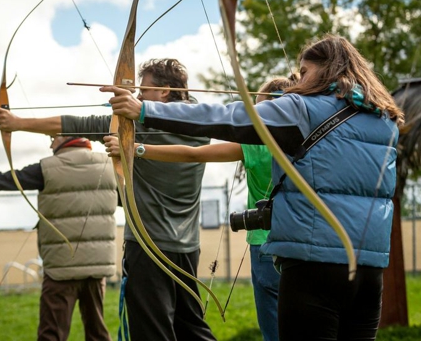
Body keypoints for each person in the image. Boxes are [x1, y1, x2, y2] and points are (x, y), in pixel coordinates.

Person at [102, 34, 403, 341]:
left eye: (304, 72)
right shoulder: (384, 118)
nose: (298, 80)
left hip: (313, 266)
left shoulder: (300, 109)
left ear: (325, 70)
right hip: (368, 270)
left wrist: (145, 110)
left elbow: (226, 116)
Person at [0, 58, 216, 341]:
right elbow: (79, 124)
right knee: (191, 327)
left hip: (148, 248)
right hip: (187, 247)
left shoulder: (139, 129)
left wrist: (17, 123)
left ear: (165, 91)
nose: (137, 96)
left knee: (152, 332)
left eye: (143, 90)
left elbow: (79, 124)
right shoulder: (203, 123)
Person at [103, 75, 297, 341]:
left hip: (265, 244)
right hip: (304, 244)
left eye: (261, 110)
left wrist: (135, 148)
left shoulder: (258, 144)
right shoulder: (312, 142)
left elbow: (193, 155)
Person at [0, 135, 117, 341]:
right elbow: (126, 199)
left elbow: (2, 179)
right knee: (97, 333)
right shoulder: (108, 166)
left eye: (53, 138)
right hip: (97, 267)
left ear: (67, 136)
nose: (50, 144)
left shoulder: (47, 168)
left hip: (61, 268)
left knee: (52, 334)